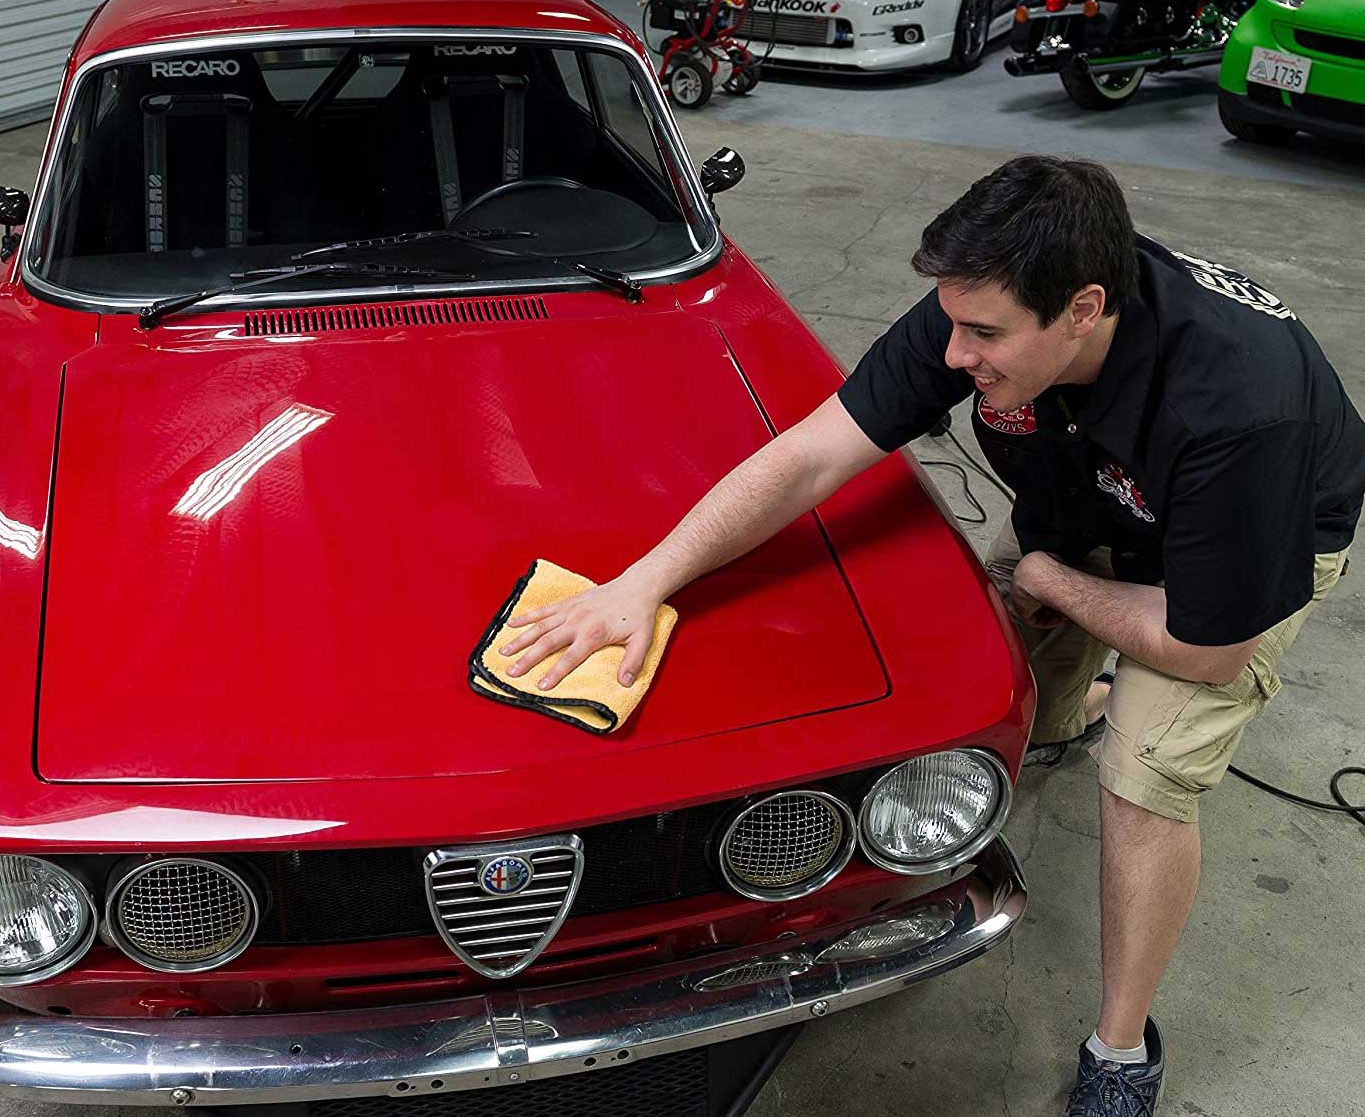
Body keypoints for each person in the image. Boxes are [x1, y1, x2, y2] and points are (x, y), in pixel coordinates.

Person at [494, 155, 1365, 1115]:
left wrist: (1050, 579)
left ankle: (1122, 1050)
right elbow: (811, 455)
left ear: (1083, 308)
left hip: (1239, 558)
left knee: (1148, 776)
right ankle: (1067, 715)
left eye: (983, 334)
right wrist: (644, 580)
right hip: (1089, 497)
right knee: (986, 657)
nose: (954, 357)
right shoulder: (986, 303)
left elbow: (1208, 649)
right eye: (952, 322)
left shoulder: (1242, 410)